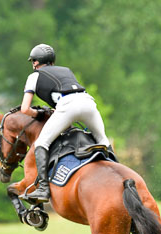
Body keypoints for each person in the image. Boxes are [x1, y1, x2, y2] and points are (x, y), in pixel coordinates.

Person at [20, 43, 112, 203]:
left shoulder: (33, 77)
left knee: (41, 143)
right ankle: (118, 175)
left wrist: (39, 113)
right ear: (52, 61)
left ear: (35, 62)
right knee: (103, 140)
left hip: (67, 107)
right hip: (89, 103)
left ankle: (42, 189)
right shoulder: (66, 70)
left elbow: (24, 109)